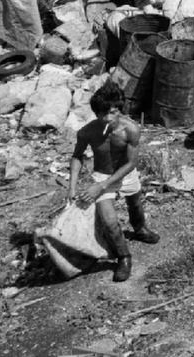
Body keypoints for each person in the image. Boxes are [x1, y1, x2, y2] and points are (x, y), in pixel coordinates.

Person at [68, 81, 158, 282]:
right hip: (101, 175)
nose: (108, 118)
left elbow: (132, 162)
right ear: (96, 113)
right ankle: (123, 257)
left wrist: (102, 185)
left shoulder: (131, 130)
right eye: (103, 114)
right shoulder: (86, 132)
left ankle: (140, 228)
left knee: (134, 202)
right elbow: (77, 156)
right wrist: (72, 187)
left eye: (113, 112)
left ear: (120, 110)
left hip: (125, 173)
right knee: (109, 221)